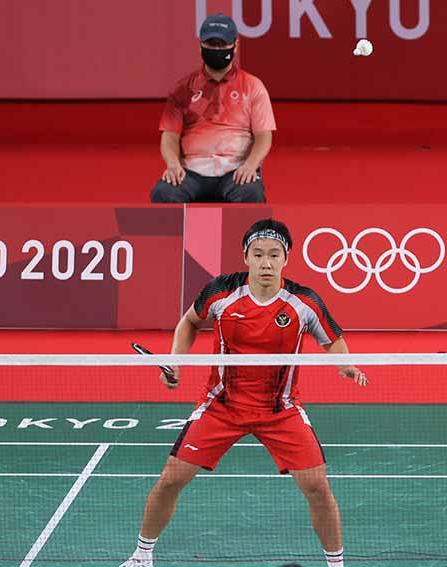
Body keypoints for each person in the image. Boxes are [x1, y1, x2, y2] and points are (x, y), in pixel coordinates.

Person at [121, 219, 367, 567]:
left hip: (279, 410)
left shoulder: (303, 302)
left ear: (286, 258)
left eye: (274, 255)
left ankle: (337, 565)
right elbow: (190, 320)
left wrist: (346, 365)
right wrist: (176, 360)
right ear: (246, 257)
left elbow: (334, 340)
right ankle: (141, 556)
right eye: (258, 254)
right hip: (222, 406)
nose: (266, 263)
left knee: (317, 488)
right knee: (170, 479)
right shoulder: (221, 292)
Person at [150, 13, 275, 203]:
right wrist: (173, 164)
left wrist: (251, 165)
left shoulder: (253, 86)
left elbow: (264, 136)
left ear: (235, 45)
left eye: (221, 44)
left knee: (251, 193)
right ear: (200, 45)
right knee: (163, 193)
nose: (216, 49)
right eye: (211, 44)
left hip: (235, 172)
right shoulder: (183, 88)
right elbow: (170, 135)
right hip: (190, 173)